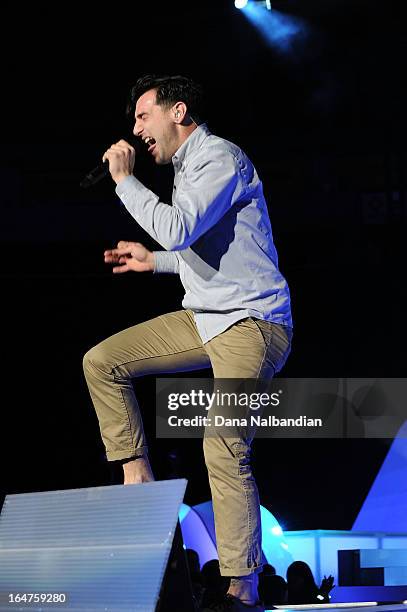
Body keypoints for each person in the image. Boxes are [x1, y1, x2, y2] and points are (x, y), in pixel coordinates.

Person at [83, 74, 293, 612]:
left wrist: (125, 181)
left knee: (223, 444)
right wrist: (153, 262)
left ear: (178, 112)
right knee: (102, 361)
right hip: (206, 317)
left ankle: (241, 587)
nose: (135, 129)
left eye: (142, 116)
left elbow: (178, 228)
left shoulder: (219, 157)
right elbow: (199, 247)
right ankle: (137, 475)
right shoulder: (185, 169)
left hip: (252, 324)